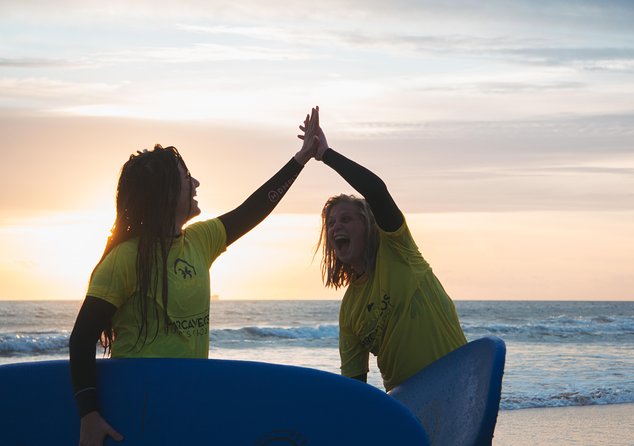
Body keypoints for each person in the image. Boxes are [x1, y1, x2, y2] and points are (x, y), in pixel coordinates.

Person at [69, 108, 321, 446]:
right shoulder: (125, 259)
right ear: (165, 191)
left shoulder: (200, 241)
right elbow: (82, 337)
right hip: (138, 408)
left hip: (189, 402)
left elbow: (253, 209)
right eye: (188, 178)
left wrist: (301, 159)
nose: (197, 183)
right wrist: (89, 415)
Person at [304, 107, 467, 392]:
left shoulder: (398, 251)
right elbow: (355, 386)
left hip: (459, 385)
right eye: (330, 224)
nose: (335, 228)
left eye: (345, 219)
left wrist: (326, 155)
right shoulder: (350, 311)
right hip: (411, 405)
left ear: (368, 225)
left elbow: (376, 191)